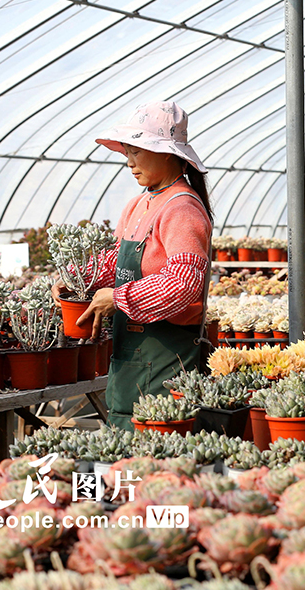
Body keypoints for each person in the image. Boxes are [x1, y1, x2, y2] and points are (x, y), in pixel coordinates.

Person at [52, 101, 213, 430]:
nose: (129, 163)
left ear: (166, 153)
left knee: (157, 446)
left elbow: (184, 283)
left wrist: (117, 298)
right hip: (130, 360)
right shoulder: (138, 205)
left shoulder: (182, 209)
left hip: (166, 360)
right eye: (127, 153)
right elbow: (114, 260)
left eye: (136, 153)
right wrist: (74, 279)